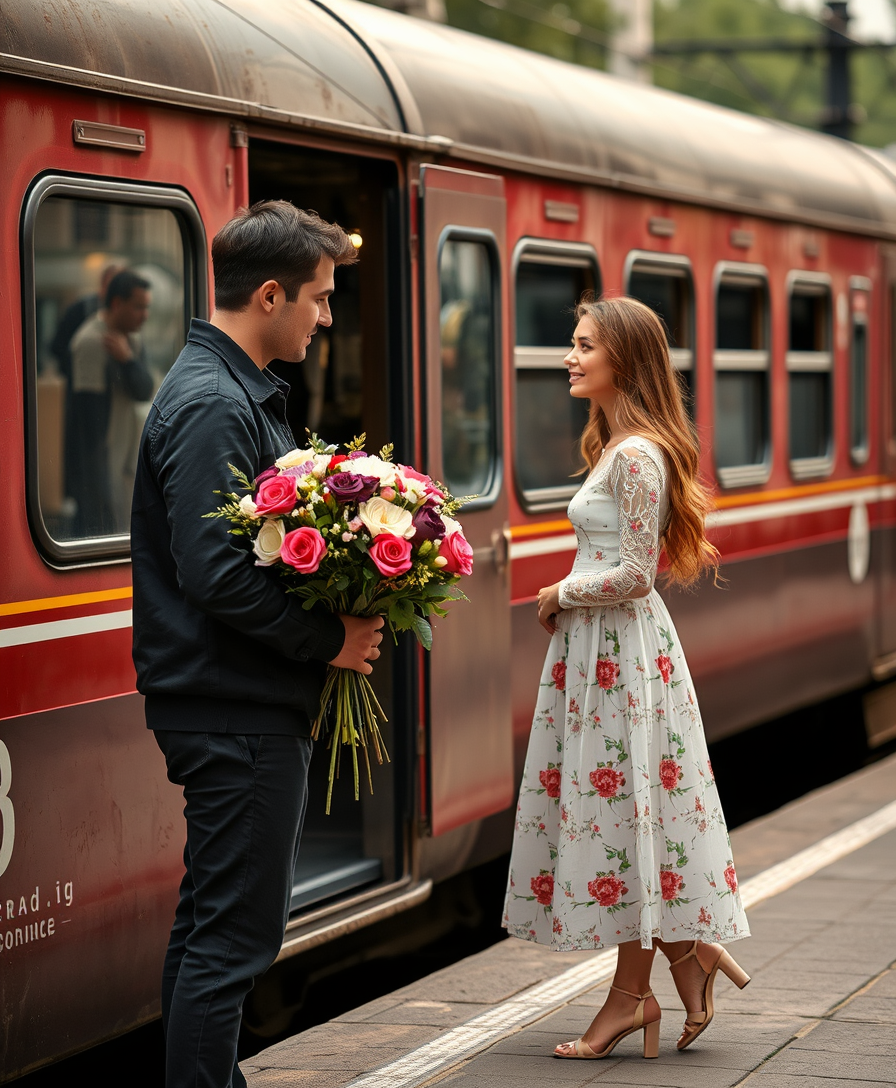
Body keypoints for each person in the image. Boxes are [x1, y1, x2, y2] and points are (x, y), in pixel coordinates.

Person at [131, 200, 384, 1088]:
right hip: (235, 707)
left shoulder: (231, 393)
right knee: (234, 942)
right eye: (317, 298)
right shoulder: (212, 405)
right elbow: (215, 573)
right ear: (270, 295)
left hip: (233, 699)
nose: (325, 316)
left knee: (213, 928)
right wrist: (330, 639)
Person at [502, 296, 750, 1060]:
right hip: (602, 657)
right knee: (629, 819)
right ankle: (682, 957)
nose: (568, 358)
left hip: (622, 662)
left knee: (626, 818)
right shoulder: (617, 445)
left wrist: (556, 593)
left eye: (583, 346)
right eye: (572, 344)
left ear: (624, 361)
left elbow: (638, 574)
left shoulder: (637, 454)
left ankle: (637, 992)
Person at [69, 269, 154, 535]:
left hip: (127, 452)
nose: (145, 315)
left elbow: (145, 389)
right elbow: (88, 422)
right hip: (104, 457)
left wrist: (127, 360)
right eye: (138, 307)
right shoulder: (91, 342)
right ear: (117, 303)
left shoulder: (131, 341)